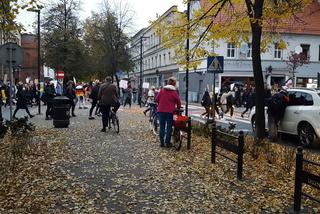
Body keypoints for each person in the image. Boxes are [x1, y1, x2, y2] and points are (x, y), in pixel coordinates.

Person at [156, 77, 181, 147]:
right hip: (170, 112)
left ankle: (161, 143)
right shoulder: (174, 92)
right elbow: (178, 102)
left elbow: (157, 99)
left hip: (161, 111)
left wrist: (160, 104)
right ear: (174, 84)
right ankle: (167, 142)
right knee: (169, 127)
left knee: (162, 126)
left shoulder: (162, 90)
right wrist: (178, 108)